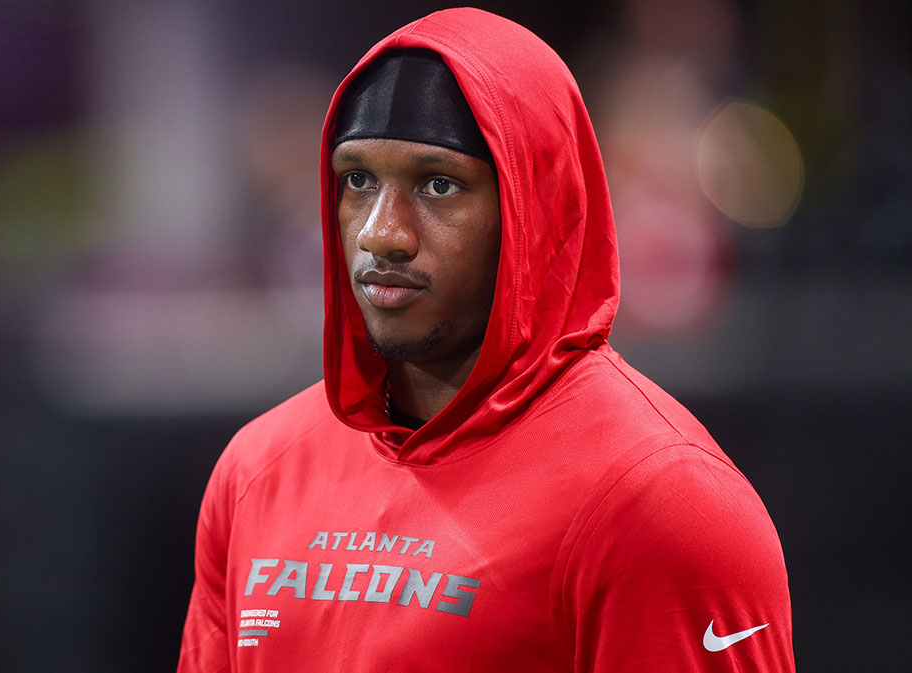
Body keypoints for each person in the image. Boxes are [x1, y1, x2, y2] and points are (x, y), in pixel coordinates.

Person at [178, 8, 794, 672]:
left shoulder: (665, 507)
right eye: (358, 179)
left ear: (539, 205)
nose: (382, 233)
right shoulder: (255, 473)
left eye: (439, 184)